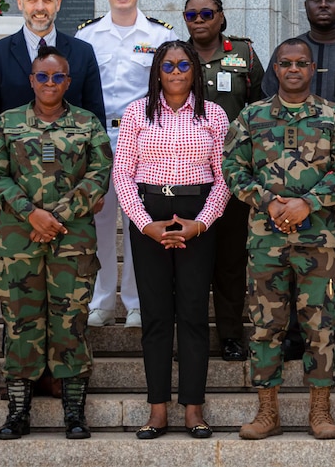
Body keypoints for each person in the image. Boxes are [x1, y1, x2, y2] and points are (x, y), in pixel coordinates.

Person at [229, 38, 335, 441]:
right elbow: (233, 168)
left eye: (301, 63)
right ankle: (267, 411)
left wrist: (308, 203)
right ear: (274, 68)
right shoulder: (252, 116)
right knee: (266, 325)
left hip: (317, 239)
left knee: (320, 325)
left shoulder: (332, 116)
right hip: (265, 241)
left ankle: (320, 411)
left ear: (311, 69)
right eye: (285, 63)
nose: (293, 69)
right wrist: (269, 202)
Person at [0, 46, 112, 440]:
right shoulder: (7, 123)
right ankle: (18, 413)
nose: (50, 83)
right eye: (43, 76)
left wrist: (56, 217)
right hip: (19, 242)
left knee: (70, 324)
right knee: (21, 323)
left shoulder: (87, 124)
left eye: (58, 77)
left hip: (72, 243)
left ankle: (74, 412)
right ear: (31, 80)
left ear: (68, 82)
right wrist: (30, 213)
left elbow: (100, 175)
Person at [113, 40, 229, 439]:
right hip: (150, 218)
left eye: (183, 64)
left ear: (195, 69)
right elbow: (123, 174)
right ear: (157, 71)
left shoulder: (213, 114)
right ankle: (157, 409)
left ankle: (193, 409)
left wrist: (202, 222)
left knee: (194, 315)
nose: (176, 71)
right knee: (157, 317)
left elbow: (224, 177)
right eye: (168, 65)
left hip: (198, 218)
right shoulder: (137, 114)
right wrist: (145, 224)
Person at [261, 0, 335, 362]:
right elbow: (268, 108)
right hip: (290, 180)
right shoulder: (287, 52)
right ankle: (294, 334)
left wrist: (334, 154)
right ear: (305, 4)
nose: (323, 5)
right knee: (293, 253)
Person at [76, 0, 178, 330]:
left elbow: (169, 87)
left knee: (141, 221)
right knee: (99, 221)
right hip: (98, 137)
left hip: (143, 138)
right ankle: (101, 301)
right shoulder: (87, 37)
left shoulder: (156, 36)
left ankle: (137, 302)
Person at [184, 0, 266, 363]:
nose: (199, 20)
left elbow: (261, 111)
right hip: (185, 174)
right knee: (188, 266)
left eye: (206, 13)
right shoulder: (175, 56)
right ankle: (190, 338)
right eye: (192, 14)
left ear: (221, 16)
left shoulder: (244, 54)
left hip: (233, 176)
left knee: (231, 262)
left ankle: (232, 336)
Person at [0, 0, 106, 170]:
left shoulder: (83, 52)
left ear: (58, 4)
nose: (39, 7)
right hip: (14, 178)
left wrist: (97, 179)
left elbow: (96, 117)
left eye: (47, 0)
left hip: (72, 175)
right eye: (32, 0)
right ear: (20, 3)